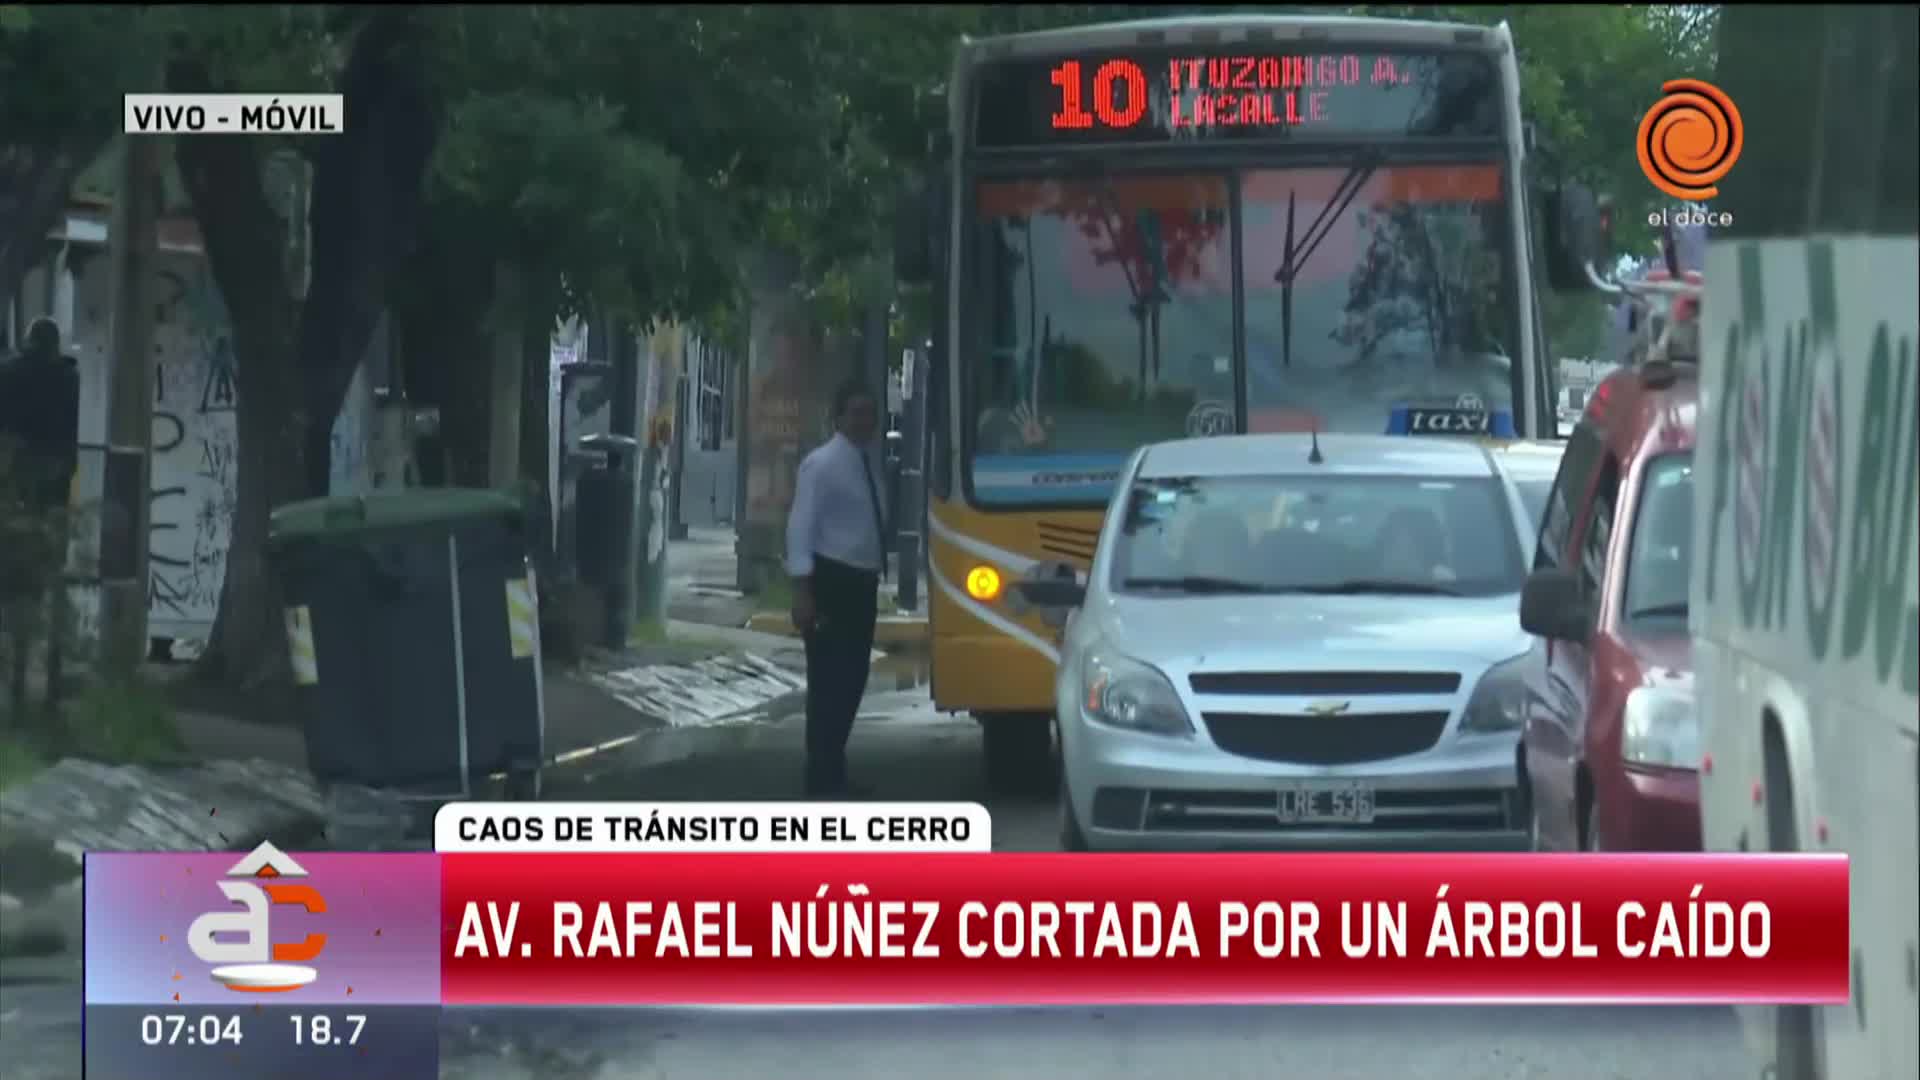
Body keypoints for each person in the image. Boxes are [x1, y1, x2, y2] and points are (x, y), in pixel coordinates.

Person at [786, 378, 888, 798]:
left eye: (871, 413)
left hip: (861, 583)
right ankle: (821, 778)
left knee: (853, 678)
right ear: (840, 417)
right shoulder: (822, 464)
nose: (867, 421)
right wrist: (803, 590)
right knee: (830, 683)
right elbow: (800, 526)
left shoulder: (867, 461)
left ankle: (834, 768)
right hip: (832, 581)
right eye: (858, 412)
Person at [0, 318, 81, 715]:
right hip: (53, 501)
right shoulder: (68, 382)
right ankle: (46, 689)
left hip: (11, 497)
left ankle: (11, 689)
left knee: (10, 590)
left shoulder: (8, 374)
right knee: (48, 588)